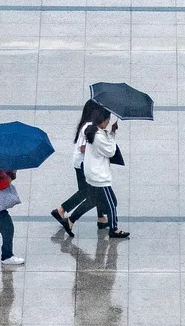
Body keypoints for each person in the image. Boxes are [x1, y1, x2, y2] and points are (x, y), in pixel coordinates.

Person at [50, 100, 112, 236]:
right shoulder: (89, 126)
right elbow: (83, 148)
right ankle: (64, 212)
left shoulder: (88, 124)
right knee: (93, 193)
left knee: (87, 192)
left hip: (81, 163)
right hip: (84, 164)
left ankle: (100, 218)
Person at [82, 111, 129, 239]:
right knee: (111, 204)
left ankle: (72, 220)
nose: (109, 122)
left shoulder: (93, 131)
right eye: (108, 120)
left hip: (94, 173)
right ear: (102, 121)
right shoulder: (98, 136)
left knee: (99, 201)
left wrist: (111, 132)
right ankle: (113, 229)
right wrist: (112, 134)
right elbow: (110, 151)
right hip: (99, 177)